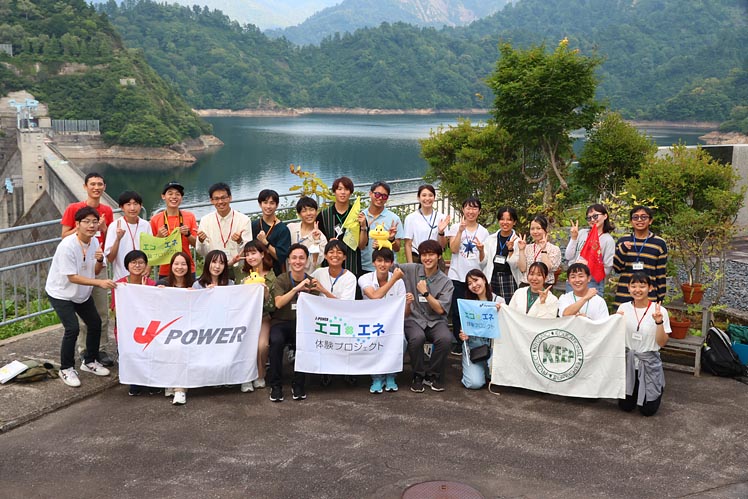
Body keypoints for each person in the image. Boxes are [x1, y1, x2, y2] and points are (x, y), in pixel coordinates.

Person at [47, 207, 116, 387]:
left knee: (95, 323)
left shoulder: (94, 243)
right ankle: (66, 368)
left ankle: (90, 361)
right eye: (86, 222)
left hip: (81, 293)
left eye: (94, 222)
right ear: (77, 225)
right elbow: (72, 277)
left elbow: (94, 271)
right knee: (72, 328)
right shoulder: (67, 246)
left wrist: (100, 261)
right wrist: (99, 283)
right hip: (61, 293)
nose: (91, 226)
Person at [60, 172, 115, 367]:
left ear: (104, 187)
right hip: (79, 265)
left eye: (100, 184)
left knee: (101, 311)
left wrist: (103, 228)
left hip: (98, 263)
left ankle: (100, 349)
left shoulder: (107, 210)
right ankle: (84, 350)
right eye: (92, 184)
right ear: (85, 187)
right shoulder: (74, 208)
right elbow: (64, 235)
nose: (96, 187)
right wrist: (87, 226)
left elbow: (107, 237)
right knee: (83, 313)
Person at [399, 239, 454, 392]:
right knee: (417, 338)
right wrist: (386, 243)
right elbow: (389, 266)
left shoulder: (446, 282)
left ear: (439, 257)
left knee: (445, 339)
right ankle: (418, 374)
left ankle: (433, 374)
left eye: (431, 254)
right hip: (413, 319)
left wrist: (426, 293)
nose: (427, 258)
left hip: (435, 321)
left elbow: (441, 310)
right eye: (424, 255)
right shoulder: (412, 269)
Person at [268, 244, 320, 402]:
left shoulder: (312, 282)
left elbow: (316, 307)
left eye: (302, 258)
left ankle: (299, 383)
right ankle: (275, 385)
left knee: (303, 342)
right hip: (281, 322)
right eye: (294, 258)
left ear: (307, 260)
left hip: (302, 324)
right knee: (276, 342)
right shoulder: (281, 279)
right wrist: (296, 289)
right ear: (289, 261)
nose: (298, 261)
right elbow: (278, 303)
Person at [616, 271, 671, 416]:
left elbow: (662, 342)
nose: (637, 290)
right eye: (633, 286)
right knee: (626, 407)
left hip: (648, 364)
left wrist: (658, 321)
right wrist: (614, 322)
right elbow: (615, 337)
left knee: (648, 411)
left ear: (650, 288)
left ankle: (655, 388)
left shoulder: (660, 311)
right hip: (628, 364)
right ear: (628, 288)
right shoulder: (623, 308)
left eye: (642, 286)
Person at [358, 248, 407, 394]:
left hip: (392, 324)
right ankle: (377, 377)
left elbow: (402, 311)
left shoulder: (400, 282)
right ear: (373, 262)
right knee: (372, 341)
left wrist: (408, 303)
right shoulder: (365, 278)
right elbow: (374, 296)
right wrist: (393, 279)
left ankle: (391, 375)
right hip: (370, 322)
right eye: (379, 260)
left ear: (392, 263)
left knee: (402, 341)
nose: (383, 264)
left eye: (387, 261)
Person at [110, 250, 158, 396]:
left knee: (150, 352)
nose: (137, 265)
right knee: (130, 352)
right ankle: (135, 381)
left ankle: (151, 381)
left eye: (141, 262)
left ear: (145, 265)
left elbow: (155, 308)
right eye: (133, 262)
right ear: (127, 265)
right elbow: (115, 309)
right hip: (127, 327)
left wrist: (144, 290)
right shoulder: (119, 285)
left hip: (147, 326)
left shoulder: (151, 283)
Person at [445, 197, 489, 356]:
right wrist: (460, 231)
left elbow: (483, 260)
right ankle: (458, 341)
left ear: (479, 211)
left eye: (474, 208)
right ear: (463, 210)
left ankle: (475, 341)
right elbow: (454, 249)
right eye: (468, 208)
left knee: (474, 311)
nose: (471, 211)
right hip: (457, 275)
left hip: (475, 278)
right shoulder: (456, 226)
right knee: (457, 311)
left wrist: (481, 249)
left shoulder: (484, 232)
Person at [156, 252, 195, 406]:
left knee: (182, 347)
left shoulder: (195, 284)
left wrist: (204, 292)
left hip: (190, 329)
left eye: (183, 264)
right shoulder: (163, 284)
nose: (179, 267)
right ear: (171, 266)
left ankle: (180, 390)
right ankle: (171, 381)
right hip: (168, 328)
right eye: (176, 264)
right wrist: (157, 294)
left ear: (189, 266)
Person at [239, 240, 277, 392]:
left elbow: (273, 307)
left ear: (262, 254)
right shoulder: (241, 274)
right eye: (247, 254)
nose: (250, 257)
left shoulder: (272, 277)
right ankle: (245, 376)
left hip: (263, 317)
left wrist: (266, 294)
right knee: (241, 344)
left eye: (253, 253)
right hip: (244, 319)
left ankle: (260, 374)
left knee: (261, 346)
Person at [612, 205, 668, 307]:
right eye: (635, 217)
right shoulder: (623, 241)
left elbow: (660, 273)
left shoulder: (659, 243)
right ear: (631, 221)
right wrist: (622, 250)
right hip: (624, 295)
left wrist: (660, 297)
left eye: (644, 217)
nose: (639, 220)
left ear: (650, 221)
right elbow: (617, 269)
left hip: (649, 296)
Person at [458, 269, 505, 390]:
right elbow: (463, 327)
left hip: (494, 348)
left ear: (484, 279)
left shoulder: (498, 301)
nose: (474, 285)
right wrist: (463, 334)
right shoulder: (468, 304)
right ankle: (479, 370)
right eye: (469, 283)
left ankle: (487, 370)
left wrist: (502, 313)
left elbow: (506, 327)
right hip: (474, 348)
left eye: (476, 280)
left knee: (498, 380)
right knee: (475, 383)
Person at [196, 182, 253, 281]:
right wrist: (201, 241)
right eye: (216, 199)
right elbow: (202, 252)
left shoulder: (244, 220)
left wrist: (240, 241)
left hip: (238, 268)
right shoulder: (205, 221)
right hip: (215, 269)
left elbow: (249, 250)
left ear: (230, 198)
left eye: (223, 197)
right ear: (211, 201)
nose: (220, 201)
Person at [316, 176, 368, 276]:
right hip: (329, 265)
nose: (343, 192)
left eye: (346, 189)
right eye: (339, 189)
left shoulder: (358, 215)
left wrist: (363, 226)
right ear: (334, 192)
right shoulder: (324, 215)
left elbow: (362, 246)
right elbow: (318, 241)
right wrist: (327, 243)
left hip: (352, 264)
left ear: (351, 192)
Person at [150, 181, 199, 280]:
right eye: (170, 193)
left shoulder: (190, 217)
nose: (174, 197)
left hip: (187, 267)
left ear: (181, 198)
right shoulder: (155, 219)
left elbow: (196, 245)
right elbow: (151, 249)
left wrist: (188, 234)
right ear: (163, 196)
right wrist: (159, 237)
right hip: (165, 270)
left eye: (178, 194)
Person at [565, 203, 615, 293]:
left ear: (605, 216)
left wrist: (588, 266)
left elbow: (607, 269)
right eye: (589, 218)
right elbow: (568, 257)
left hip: (592, 282)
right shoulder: (582, 233)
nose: (592, 220)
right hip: (573, 279)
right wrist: (574, 238)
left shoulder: (608, 240)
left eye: (595, 216)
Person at [104, 191, 152, 281]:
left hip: (142, 279)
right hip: (122, 278)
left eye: (135, 204)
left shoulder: (145, 225)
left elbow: (151, 251)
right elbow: (110, 258)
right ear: (122, 207)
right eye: (128, 204)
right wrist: (118, 239)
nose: (132, 208)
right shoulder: (114, 226)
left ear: (141, 205)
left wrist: (149, 267)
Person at [481, 206, 522, 303]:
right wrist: (480, 251)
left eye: (509, 220)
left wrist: (511, 249)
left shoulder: (518, 241)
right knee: (493, 307)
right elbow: (483, 262)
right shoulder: (490, 239)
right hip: (493, 277)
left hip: (509, 278)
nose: (505, 222)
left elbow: (515, 265)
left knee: (508, 308)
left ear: (514, 222)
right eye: (502, 219)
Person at [361, 181, 404, 273]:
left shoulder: (394, 219)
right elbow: (359, 246)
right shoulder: (361, 217)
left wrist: (391, 239)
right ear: (370, 193)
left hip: (387, 267)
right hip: (365, 266)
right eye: (377, 194)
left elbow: (397, 248)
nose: (380, 198)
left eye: (384, 196)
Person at [403, 184, 449, 265]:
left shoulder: (441, 217)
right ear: (418, 197)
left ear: (434, 197)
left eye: (430, 195)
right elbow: (408, 244)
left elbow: (443, 245)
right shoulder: (410, 218)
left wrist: (441, 232)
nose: (427, 198)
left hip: (435, 259)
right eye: (424, 195)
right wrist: (410, 265)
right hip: (417, 258)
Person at [514, 214, 562, 287]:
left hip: (544, 286)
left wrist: (543, 249)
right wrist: (521, 250)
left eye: (538, 228)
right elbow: (522, 269)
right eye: (532, 229)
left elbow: (546, 269)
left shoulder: (554, 249)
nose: (535, 232)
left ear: (545, 230)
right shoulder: (527, 248)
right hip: (526, 285)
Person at [252, 189, 291, 276]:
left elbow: (280, 256)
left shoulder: (282, 229)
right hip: (255, 272)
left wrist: (265, 242)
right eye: (265, 202)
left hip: (275, 273)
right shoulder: (254, 225)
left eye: (272, 203)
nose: (268, 206)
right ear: (260, 204)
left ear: (276, 205)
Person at [287, 196, 327, 274]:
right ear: (299, 214)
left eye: (311, 210)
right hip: (290, 276)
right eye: (304, 211)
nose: (309, 213)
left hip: (308, 277)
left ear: (316, 211)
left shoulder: (321, 238)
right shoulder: (291, 228)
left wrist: (316, 242)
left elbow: (316, 262)